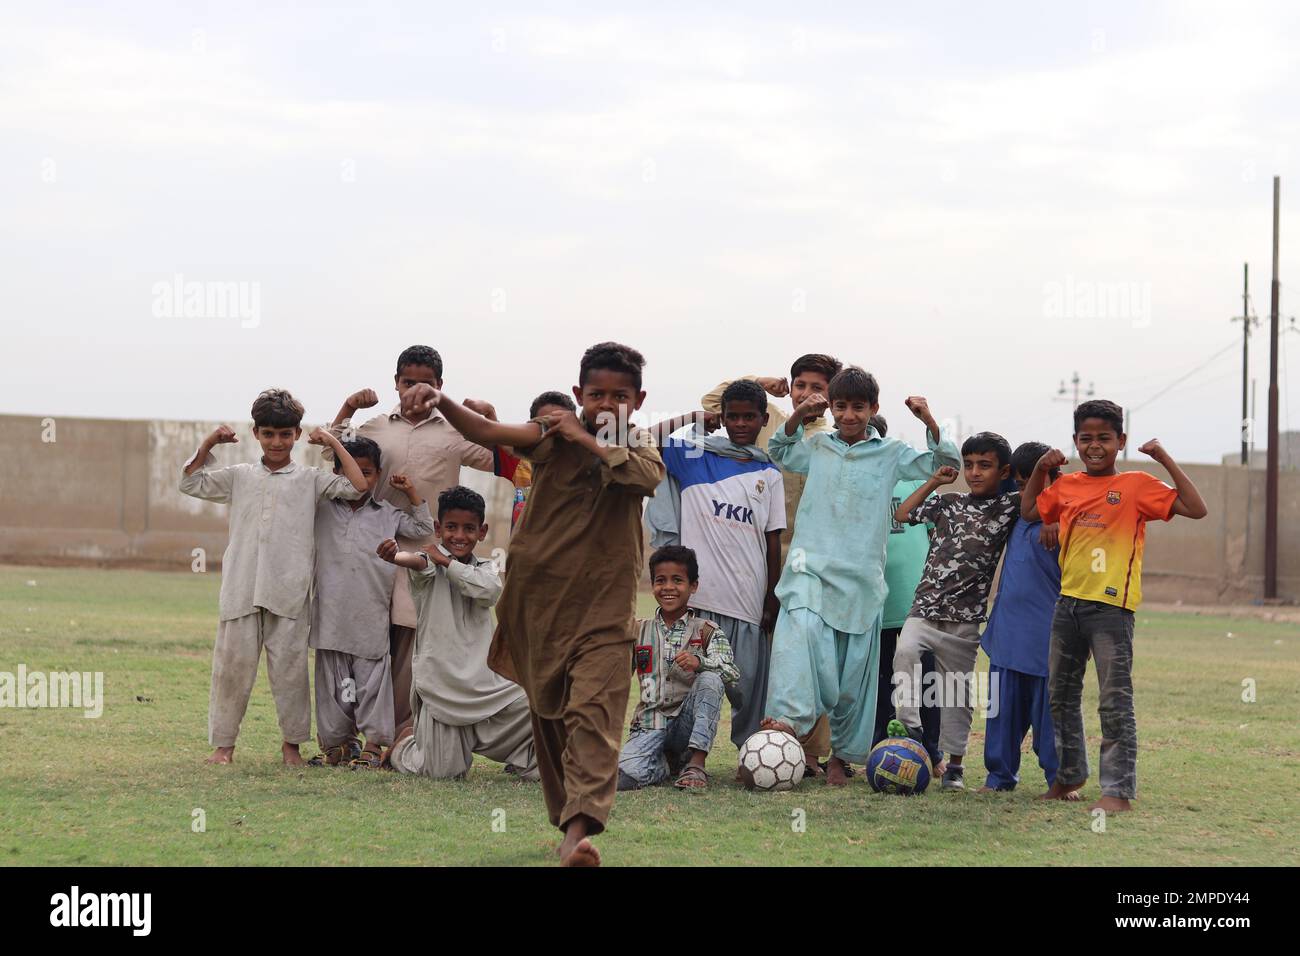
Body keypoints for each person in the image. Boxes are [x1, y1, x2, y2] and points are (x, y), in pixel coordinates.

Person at [398, 342, 664, 867]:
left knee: (594, 715)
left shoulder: (638, 446)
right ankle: (568, 817)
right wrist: (440, 400)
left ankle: (576, 836)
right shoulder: (549, 434)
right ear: (577, 393)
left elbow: (644, 479)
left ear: (639, 400)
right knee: (551, 718)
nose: (607, 403)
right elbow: (488, 433)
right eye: (595, 394)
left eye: (620, 396)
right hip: (536, 608)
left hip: (605, 614)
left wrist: (586, 439)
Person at [760, 366, 961, 786]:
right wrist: (800, 415)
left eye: (857, 407)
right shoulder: (817, 448)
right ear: (830, 408)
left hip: (861, 581)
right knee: (799, 637)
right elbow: (780, 449)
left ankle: (842, 756)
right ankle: (785, 724)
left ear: (873, 409)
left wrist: (927, 420)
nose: (848, 415)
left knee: (854, 676)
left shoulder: (891, 454)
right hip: (809, 570)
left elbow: (945, 463)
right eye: (840, 406)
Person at [1022, 399, 1207, 811]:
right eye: (1085, 438)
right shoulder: (1066, 485)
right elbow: (1030, 509)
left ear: (1120, 442)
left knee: (1113, 700)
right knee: (1061, 696)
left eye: (1104, 438)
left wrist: (1163, 458)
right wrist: (1038, 469)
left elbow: (1196, 508)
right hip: (1067, 605)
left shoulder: (1137, 486)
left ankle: (1117, 792)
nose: (1094, 446)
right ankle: (1068, 778)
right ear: (1075, 441)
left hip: (1110, 612)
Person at [179, 388, 367, 765]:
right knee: (231, 670)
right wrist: (210, 442)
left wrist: (330, 440)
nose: (276, 442)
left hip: (290, 592)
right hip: (241, 590)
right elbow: (190, 482)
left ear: (297, 434)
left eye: (284, 434)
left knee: (291, 674)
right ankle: (223, 747)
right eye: (268, 434)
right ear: (256, 434)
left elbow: (358, 486)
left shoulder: (310, 480)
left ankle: (291, 746)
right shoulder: (239, 476)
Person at [327, 345, 494, 742]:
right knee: (364, 643)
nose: (416, 390)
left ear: (440, 386)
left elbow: (504, 459)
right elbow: (330, 451)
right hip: (370, 549)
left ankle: (399, 734)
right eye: (408, 382)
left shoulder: (457, 432)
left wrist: (487, 417)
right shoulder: (377, 427)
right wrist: (348, 407)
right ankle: (347, 735)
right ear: (396, 384)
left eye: (426, 383)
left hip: (424, 556)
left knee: (407, 647)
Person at [699, 354, 842, 773]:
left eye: (818, 388)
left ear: (832, 397)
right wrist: (757, 379)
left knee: (808, 657)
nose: (807, 394)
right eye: (800, 385)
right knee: (767, 659)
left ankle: (809, 753)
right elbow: (712, 402)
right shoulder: (772, 421)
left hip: (809, 562)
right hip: (757, 558)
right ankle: (763, 742)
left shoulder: (832, 441)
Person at [644, 379, 785, 750]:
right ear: (721, 418)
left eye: (748, 417)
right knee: (687, 685)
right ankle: (678, 752)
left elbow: (773, 541)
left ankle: (753, 755)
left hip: (748, 598)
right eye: (732, 416)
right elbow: (641, 439)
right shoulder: (694, 457)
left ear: (763, 419)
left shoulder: (770, 473)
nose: (740, 424)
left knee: (751, 690)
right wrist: (693, 416)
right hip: (701, 602)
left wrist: (772, 596)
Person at [379, 486, 538, 781]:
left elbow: (488, 592)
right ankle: (403, 745)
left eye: (468, 528)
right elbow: (415, 561)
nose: (459, 536)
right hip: (443, 691)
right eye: (451, 527)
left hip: (488, 689)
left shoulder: (487, 569)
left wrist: (448, 563)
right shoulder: (427, 565)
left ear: (482, 531)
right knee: (445, 773)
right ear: (438, 529)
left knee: (542, 707)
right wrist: (396, 557)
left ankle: (528, 760)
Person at [892, 432, 1019, 791]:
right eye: (969, 465)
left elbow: (1036, 503)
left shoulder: (1008, 507)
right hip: (925, 608)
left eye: (985, 465)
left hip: (965, 620)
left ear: (1003, 470)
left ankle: (955, 766)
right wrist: (933, 481)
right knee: (905, 653)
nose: (975, 472)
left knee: (957, 694)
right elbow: (904, 513)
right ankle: (912, 725)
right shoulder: (948, 502)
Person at [307, 436, 434, 768]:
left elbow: (422, 526)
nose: (359, 480)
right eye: (351, 471)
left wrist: (410, 492)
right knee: (334, 683)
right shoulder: (321, 508)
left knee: (371, 682)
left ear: (377, 474)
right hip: (330, 614)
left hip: (371, 613)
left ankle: (375, 743)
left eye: (367, 472)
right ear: (337, 472)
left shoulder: (387, 513)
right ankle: (337, 743)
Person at [618, 546, 739, 792]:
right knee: (623, 777)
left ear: (693, 586)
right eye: (660, 580)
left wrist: (700, 662)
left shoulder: (706, 630)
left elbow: (732, 673)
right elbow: (614, 678)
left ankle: (696, 763)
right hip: (649, 725)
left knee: (710, 679)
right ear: (652, 585)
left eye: (678, 580)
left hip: (686, 728)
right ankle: (665, 765)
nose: (668, 587)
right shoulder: (638, 630)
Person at [980, 441, 1062, 793]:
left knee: (1052, 716)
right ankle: (999, 777)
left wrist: (1057, 520)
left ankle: (1060, 779)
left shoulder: (1068, 520)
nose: (1033, 490)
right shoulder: (1013, 515)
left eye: (1043, 480)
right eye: (1024, 482)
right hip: (1008, 635)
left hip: (1048, 638)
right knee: (1002, 714)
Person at [872, 414, 941, 755]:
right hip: (874, 604)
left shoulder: (914, 482)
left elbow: (934, 536)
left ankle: (931, 750)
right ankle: (879, 747)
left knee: (926, 680)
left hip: (917, 602)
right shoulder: (861, 484)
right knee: (879, 681)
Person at [462, 391, 577, 530]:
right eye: (543, 427)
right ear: (529, 428)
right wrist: (489, 412)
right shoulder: (521, 463)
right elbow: (483, 435)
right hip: (523, 550)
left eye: (557, 426)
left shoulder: (582, 468)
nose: (551, 434)